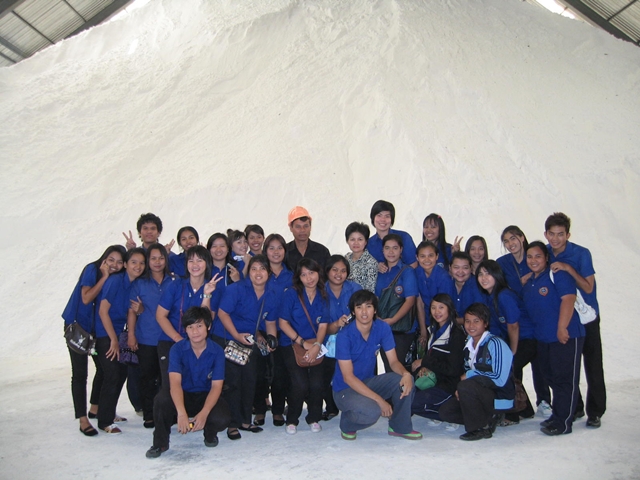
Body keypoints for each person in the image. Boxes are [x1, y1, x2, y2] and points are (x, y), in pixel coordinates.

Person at [332, 290, 422, 441]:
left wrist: (406, 374)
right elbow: (348, 377)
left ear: (375, 310)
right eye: (359, 307)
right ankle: (347, 423)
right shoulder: (344, 336)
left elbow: (393, 362)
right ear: (353, 311)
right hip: (345, 389)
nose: (364, 312)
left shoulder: (382, 328)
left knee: (405, 380)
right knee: (373, 411)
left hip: (368, 383)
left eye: (368, 306)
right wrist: (380, 401)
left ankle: (399, 427)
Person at [146, 306, 232, 458]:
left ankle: (210, 433)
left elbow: (216, 386)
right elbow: (174, 384)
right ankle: (160, 443)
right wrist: (181, 412)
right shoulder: (177, 349)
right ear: (185, 330)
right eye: (190, 327)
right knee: (161, 400)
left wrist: (204, 413)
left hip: (205, 395)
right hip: (182, 394)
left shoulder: (217, 351)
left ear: (208, 327)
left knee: (222, 417)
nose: (195, 331)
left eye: (199, 326)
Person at [545, 212, 605, 428]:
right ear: (546, 234)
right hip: (566, 317)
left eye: (560, 234)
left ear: (568, 235)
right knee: (566, 366)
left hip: (587, 317)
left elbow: (588, 287)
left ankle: (596, 411)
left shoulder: (581, 253)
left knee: (593, 365)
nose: (556, 239)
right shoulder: (545, 253)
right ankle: (576, 406)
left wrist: (568, 268)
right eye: (552, 234)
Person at [522, 241, 586, 435]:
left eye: (538, 256)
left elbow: (568, 299)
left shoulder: (558, 274)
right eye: (530, 257)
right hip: (544, 339)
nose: (533, 260)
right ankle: (561, 413)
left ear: (547, 258)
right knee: (551, 376)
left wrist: (562, 327)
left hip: (565, 336)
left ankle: (563, 422)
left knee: (564, 379)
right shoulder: (530, 282)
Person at [62, 245, 126, 436]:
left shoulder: (117, 278)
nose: (114, 264)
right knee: (80, 374)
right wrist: (104, 277)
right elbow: (86, 298)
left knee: (104, 369)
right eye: (111, 259)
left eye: (119, 262)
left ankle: (96, 408)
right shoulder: (92, 270)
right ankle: (83, 419)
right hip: (78, 328)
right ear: (104, 258)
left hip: (95, 331)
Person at [215, 255, 279, 440]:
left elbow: (270, 321)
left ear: (269, 272)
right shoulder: (236, 289)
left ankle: (244, 420)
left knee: (250, 380)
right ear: (248, 271)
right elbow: (223, 313)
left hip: (248, 341)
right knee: (233, 382)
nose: (258, 273)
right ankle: (232, 423)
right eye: (254, 269)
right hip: (227, 338)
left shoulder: (271, 294)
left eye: (262, 269)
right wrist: (236, 335)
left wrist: (272, 340)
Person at [439, 303, 515, 441]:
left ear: (485, 323)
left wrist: (469, 377)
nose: (471, 325)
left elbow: (499, 378)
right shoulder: (468, 344)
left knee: (465, 385)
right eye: (467, 321)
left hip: (499, 396)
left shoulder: (495, 343)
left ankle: (480, 428)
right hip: (480, 393)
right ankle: (489, 418)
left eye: (476, 321)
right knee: (446, 412)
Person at [156, 246, 222, 391]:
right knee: (170, 388)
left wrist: (207, 295)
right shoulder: (176, 285)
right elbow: (160, 316)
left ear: (207, 263)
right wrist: (178, 339)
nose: (195, 264)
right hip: (170, 341)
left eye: (199, 260)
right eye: (191, 261)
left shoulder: (213, 288)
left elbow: (207, 320)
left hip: (199, 344)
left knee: (194, 387)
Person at [95, 247, 146, 434]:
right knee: (112, 374)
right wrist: (113, 340)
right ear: (125, 264)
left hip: (117, 333)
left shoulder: (134, 284)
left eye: (141, 263)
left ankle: (109, 412)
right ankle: (104, 421)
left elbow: (133, 311)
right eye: (133, 262)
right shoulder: (115, 281)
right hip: (105, 333)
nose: (138, 266)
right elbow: (103, 311)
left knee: (121, 373)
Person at [127, 244, 177, 429]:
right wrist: (131, 334)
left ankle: (168, 413)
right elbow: (132, 311)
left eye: (161, 258)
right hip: (146, 337)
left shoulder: (175, 281)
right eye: (153, 258)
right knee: (147, 378)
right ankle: (149, 415)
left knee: (168, 379)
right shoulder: (140, 283)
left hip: (169, 338)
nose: (157, 262)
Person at [278, 258, 330, 434]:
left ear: (318, 273)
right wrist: (302, 342)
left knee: (317, 384)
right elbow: (283, 323)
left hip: (315, 343)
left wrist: (316, 345)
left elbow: (323, 325)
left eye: (312, 273)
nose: (309, 278)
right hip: (292, 343)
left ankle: (313, 417)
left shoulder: (323, 295)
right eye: (304, 274)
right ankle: (292, 419)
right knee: (300, 384)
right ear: (298, 277)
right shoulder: (291, 294)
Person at [410, 294, 466, 425]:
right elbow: (434, 358)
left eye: (441, 307)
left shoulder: (456, 335)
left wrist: (425, 362)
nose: (437, 312)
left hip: (448, 385)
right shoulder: (434, 331)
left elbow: (453, 369)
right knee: (403, 396)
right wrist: (424, 367)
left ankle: (453, 413)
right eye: (433, 307)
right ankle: (441, 408)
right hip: (433, 381)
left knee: (412, 403)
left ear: (449, 309)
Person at [259, 233, 293, 427]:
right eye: (271, 248)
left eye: (279, 247)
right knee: (260, 372)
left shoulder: (292, 276)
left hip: (284, 332)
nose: (276, 252)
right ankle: (260, 409)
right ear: (265, 251)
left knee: (280, 373)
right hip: (260, 331)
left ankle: (278, 410)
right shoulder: (259, 273)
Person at [323, 255, 362, 421]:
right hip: (327, 339)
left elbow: (363, 313)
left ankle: (355, 405)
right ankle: (331, 406)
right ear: (327, 271)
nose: (339, 274)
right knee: (327, 374)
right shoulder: (320, 290)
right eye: (335, 270)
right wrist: (335, 325)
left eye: (343, 271)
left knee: (354, 374)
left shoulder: (355, 288)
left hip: (353, 339)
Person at [375, 234, 421, 371]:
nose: (391, 252)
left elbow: (410, 300)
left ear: (401, 250)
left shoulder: (407, 271)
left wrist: (392, 320)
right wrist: (378, 318)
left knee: (398, 368)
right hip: (383, 328)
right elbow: (376, 298)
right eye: (387, 248)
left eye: (395, 248)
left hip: (402, 331)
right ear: (382, 250)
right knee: (388, 368)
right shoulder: (380, 272)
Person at [476, 260, 520, 355]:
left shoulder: (504, 296)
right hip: (507, 338)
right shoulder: (489, 297)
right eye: (480, 274)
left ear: (496, 275)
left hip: (522, 338)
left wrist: (512, 352)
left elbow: (513, 326)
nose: (483, 278)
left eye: (488, 274)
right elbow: (494, 326)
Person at [414, 241, 452, 338]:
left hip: (442, 321)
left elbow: (444, 307)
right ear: (417, 257)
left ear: (437, 256)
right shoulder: (416, 273)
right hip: (425, 320)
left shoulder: (443, 277)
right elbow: (420, 303)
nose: (427, 259)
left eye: (430, 255)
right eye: (422, 256)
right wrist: (423, 331)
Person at [366, 200, 417, 270]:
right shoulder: (368, 244)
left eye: (387, 216)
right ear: (373, 218)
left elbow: (413, 265)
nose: (383, 219)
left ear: (392, 219)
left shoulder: (404, 237)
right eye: (379, 215)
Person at [285, 206, 331, 271]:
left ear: (310, 227)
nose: (302, 230)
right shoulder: (284, 252)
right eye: (298, 227)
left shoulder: (322, 252)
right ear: (291, 228)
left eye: (306, 226)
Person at [447, 252, 484, 323]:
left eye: (465, 268)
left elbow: (479, 315)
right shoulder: (446, 283)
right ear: (450, 268)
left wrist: (453, 321)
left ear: (471, 268)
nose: (460, 271)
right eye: (456, 267)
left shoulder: (477, 285)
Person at [206, 233, 242, 304]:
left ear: (228, 249)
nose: (218, 249)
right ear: (209, 249)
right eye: (214, 246)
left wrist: (238, 281)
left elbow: (243, 297)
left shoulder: (236, 269)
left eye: (222, 246)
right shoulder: (203, 270)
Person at [496, 225, 532, 296]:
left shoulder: (534, 257)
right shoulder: (501, 263)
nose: (510, 244)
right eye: (506, 241)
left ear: (522, 238)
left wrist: (533, 275)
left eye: (513, 239)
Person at [344, 221, 378, 293]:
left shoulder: (371, 263)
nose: (356, 243)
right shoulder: (346, 258)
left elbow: (370, 291)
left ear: (366, 242)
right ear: (347, 241)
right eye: (352, 239)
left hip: (361, 299)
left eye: (360, 239)